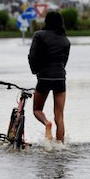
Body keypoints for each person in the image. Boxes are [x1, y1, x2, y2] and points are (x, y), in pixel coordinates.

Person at [28, 11, 70, 143]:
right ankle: (60, 147)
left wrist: (35, 71)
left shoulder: (39, 35)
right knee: (60, 117)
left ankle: (46, 123)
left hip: (44, 77)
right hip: (60, 79)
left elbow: (32, 56)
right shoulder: (65, 40)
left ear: (47, 21)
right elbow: (64, 62)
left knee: (37, 109)